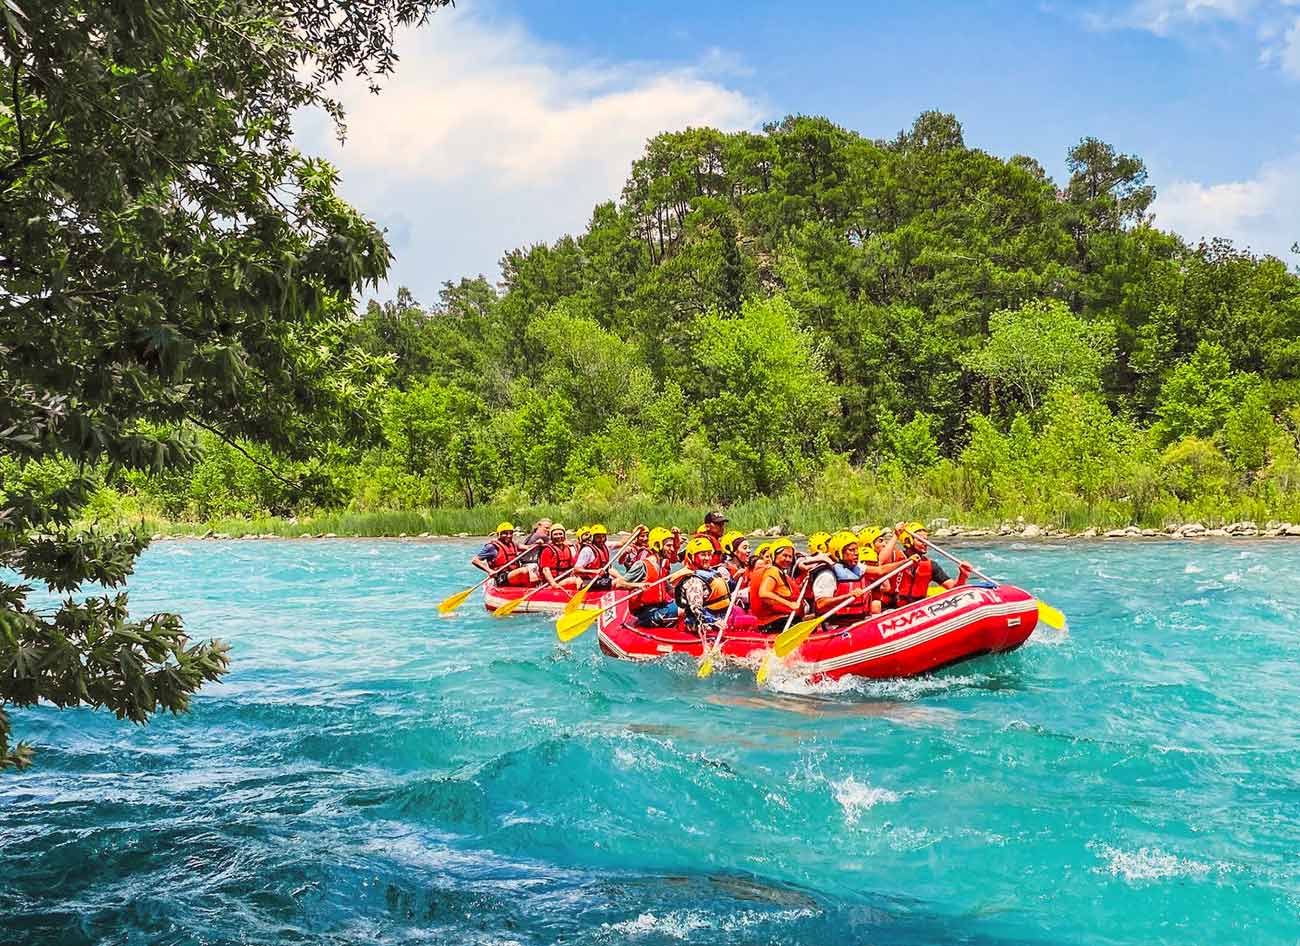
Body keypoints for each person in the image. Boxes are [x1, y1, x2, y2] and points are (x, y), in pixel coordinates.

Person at [671, 536, 732, 632]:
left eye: (709, 554)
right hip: (699, 622)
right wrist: (714, 621)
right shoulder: (693, 581)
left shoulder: (711, 572)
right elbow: (696, 608)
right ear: (692, 557)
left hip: (720, 615)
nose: (707, 558)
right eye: (703, 555)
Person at [810, 530, 875, 620]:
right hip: (834, 625)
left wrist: (902, 563)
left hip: (856, 621)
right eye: (851, 550)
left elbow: (881, 570)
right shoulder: (827, 574)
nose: (856, 553)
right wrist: (849, 595)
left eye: (856, 550)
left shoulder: (856, 568)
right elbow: (821, 603)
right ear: (838, 553)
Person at [748, 538, 805, 633]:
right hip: (774, 624)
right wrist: (790, 604)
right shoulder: (773, 571)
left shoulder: (778, 572)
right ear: (774, 556)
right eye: (784, 555)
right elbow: (764, 593)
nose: (788, 559)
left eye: (790, 557)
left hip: (777, 622)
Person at [627, 527, 680, 626]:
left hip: (660, 608)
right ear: (656, 545)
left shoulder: (660, 565)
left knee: (687, 605)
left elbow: (670, 591)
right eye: (668, 546)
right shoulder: (642, 565)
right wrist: (638, 586)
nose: (672, 549)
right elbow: (620, 583)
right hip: (647, 614)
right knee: (682, 610)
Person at [470, 521, 535, 586]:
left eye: (511, 533)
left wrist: (539, 543)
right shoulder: (491, 547)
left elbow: (528, 547)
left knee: (535, 574)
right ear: (498, 534)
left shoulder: (513, 544)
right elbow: (475, 560)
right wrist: (489, 571)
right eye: (505, 533)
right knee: (524, 571)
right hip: (500, 577)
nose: (509, 536)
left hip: (512, 575)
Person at [537, 523, 580, 592]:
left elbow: (573, 566)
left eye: (560, 534)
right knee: (573, 581)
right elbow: (545, 570)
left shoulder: (567, 548)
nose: (558, 536)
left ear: (564, 535)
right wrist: (553, 584)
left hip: (565, 579)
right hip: (552, 583)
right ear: (551, 536)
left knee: (579, 580)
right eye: (555, 534)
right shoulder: (547, 550)